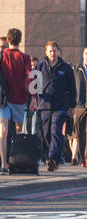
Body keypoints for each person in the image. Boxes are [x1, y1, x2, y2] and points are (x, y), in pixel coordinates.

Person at [0, 28, 33, 174]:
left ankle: (4, 164)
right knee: (19, 131)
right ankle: (17, 161)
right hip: (20, 98)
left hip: (2, 99)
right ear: (20, 40)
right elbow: (30, 78)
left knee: (3, 131)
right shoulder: (25, 58)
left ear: (8, 39)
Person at [33, 41, 75, 171]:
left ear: (59, 51)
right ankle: (50, 156)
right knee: (46, 134)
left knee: (56, 131)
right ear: (46, 52)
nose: (53, 53)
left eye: (55, 50)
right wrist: (34, 100)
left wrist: (72, 106)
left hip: (60, 106)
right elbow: (33, 86)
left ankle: (52, 159)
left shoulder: (65, 68)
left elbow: (72, 89)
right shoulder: (39, 67)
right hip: (44, 106)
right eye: (50, 51)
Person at [72, 47, 87, 166]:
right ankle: (82, 157)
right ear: (83, 55)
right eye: (86, 53)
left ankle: (86, 159)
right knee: (79, 134)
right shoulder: (77, 69)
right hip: (79, 105)